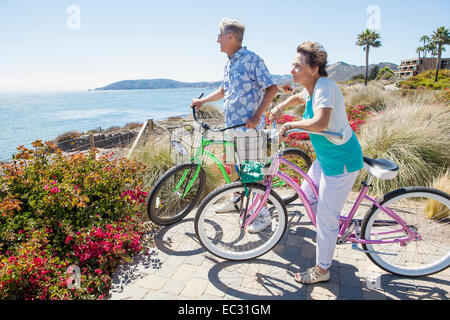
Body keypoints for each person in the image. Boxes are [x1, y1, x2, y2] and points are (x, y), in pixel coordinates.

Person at [269, 41, 364, 284]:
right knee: (308, 195)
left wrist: (290, 125)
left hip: (340, 162)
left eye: (297, 66)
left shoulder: (325, 87)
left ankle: (323, 270)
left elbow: (320, 123)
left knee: (325, 216)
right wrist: (280, 106)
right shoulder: (313, 88)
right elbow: (299, 98)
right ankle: (336, 228)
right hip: (325, 159)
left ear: (314, 68)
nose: (292, 70)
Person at [191, 18, 278, 233]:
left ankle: (263, 214)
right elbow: (223, 91)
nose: (217, 39)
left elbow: (272, 88)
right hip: (232, 126)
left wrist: (257, 116)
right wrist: (203, 101)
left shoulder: (252, 59)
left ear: (230, 36)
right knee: (236, 167)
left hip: (248, 128)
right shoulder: (229, 61)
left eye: (220, 35)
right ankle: (237, 200)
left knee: (252, 171)